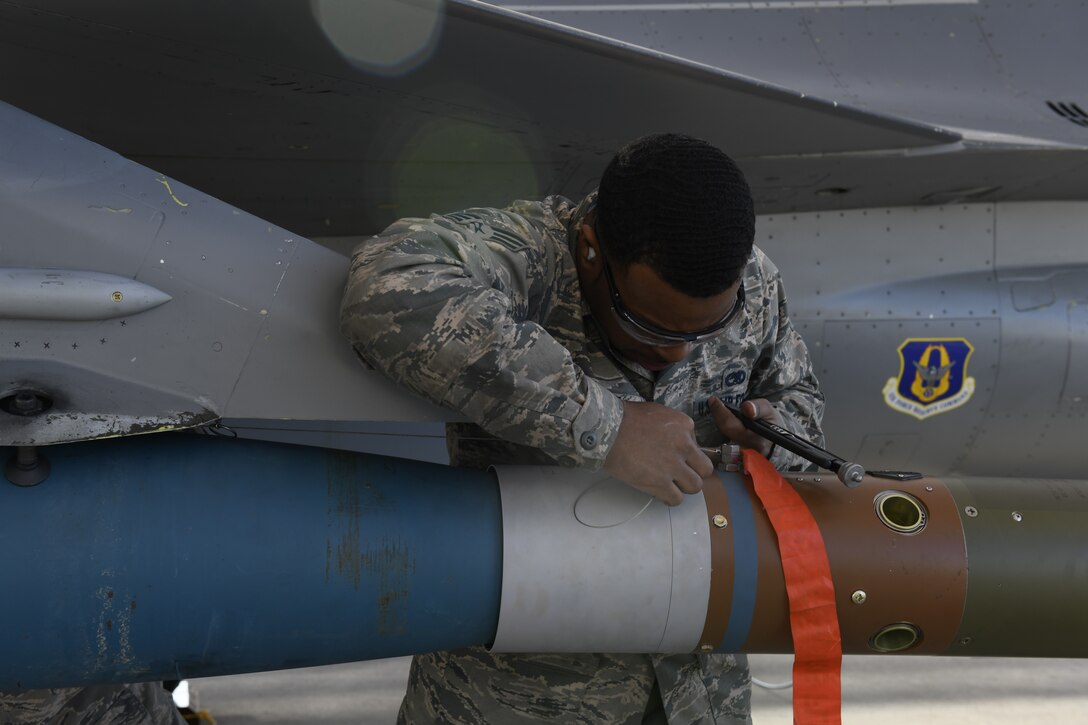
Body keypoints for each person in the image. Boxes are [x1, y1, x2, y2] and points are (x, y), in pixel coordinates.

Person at [340, 133, 824, 724]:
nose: (676, 356)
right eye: (646, 325)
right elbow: (386, 286)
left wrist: (775, 434)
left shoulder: (751, 280)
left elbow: (795, 396)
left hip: (699, 696)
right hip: (518, 699)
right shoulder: (533, 254)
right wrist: (607, 426)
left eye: (703, 332)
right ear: (592, 252)